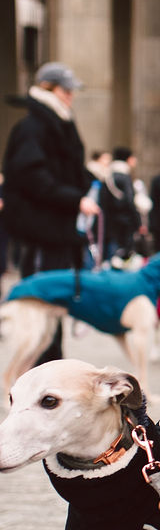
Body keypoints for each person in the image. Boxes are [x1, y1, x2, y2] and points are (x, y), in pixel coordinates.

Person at [1, 62, 99, 363]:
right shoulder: (33, 127)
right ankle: (39, 369)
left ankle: (52, 364)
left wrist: (92, 184)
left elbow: (67, 170)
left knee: (54, 302)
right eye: (65, 90)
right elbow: (32, 177)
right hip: (40, 229)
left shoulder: (58, 123)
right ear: (48, 88)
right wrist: (74, 199)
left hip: (57, 229)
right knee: (40, 302)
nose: (71, 96)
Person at [97, 145, 142, 263]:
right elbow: (130, 201)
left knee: (110, 256)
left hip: (109, 222)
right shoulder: (125, 177)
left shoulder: (108, 176)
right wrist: (138, 221)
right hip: (125, 223)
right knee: (122, 258)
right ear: (128, 159)